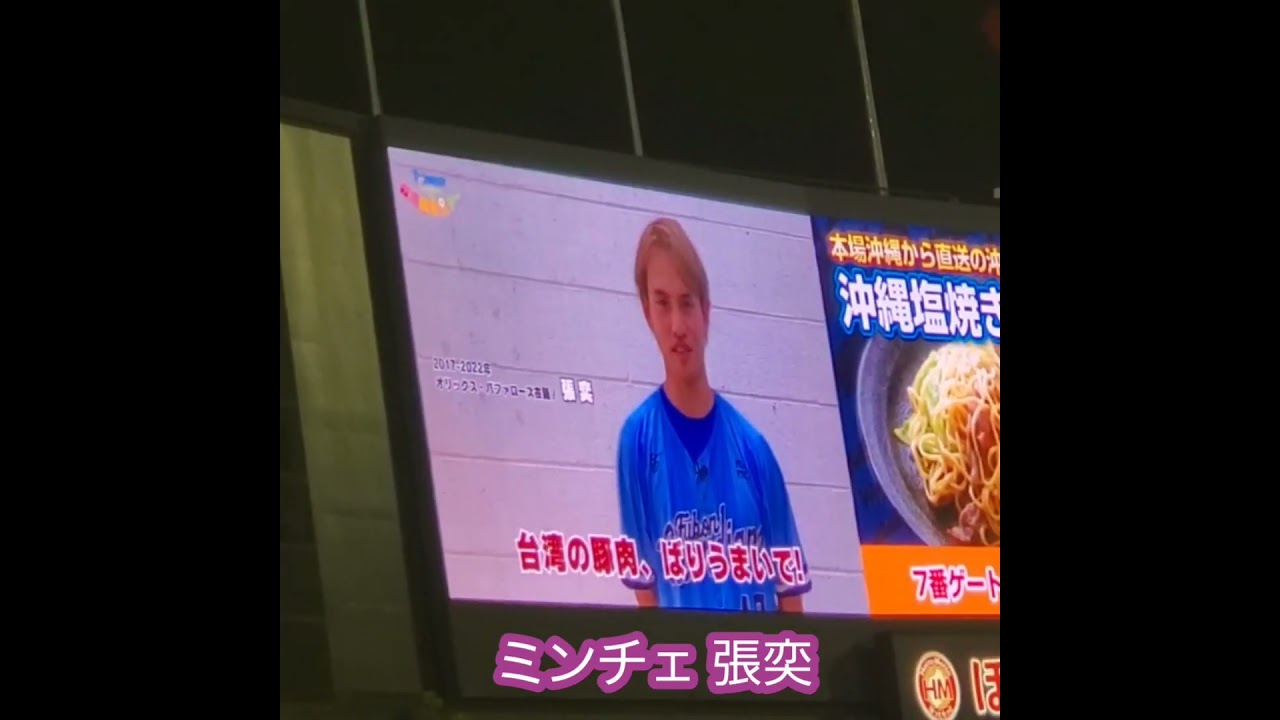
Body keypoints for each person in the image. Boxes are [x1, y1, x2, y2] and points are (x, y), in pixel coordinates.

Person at [616, 217, 810, 613]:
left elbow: (790, 597)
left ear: (706, 311)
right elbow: (645, 594)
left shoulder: (753, 449)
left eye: (687, 303)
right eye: (662, 303)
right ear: (647, 312)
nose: (677, 326)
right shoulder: (637, 440)